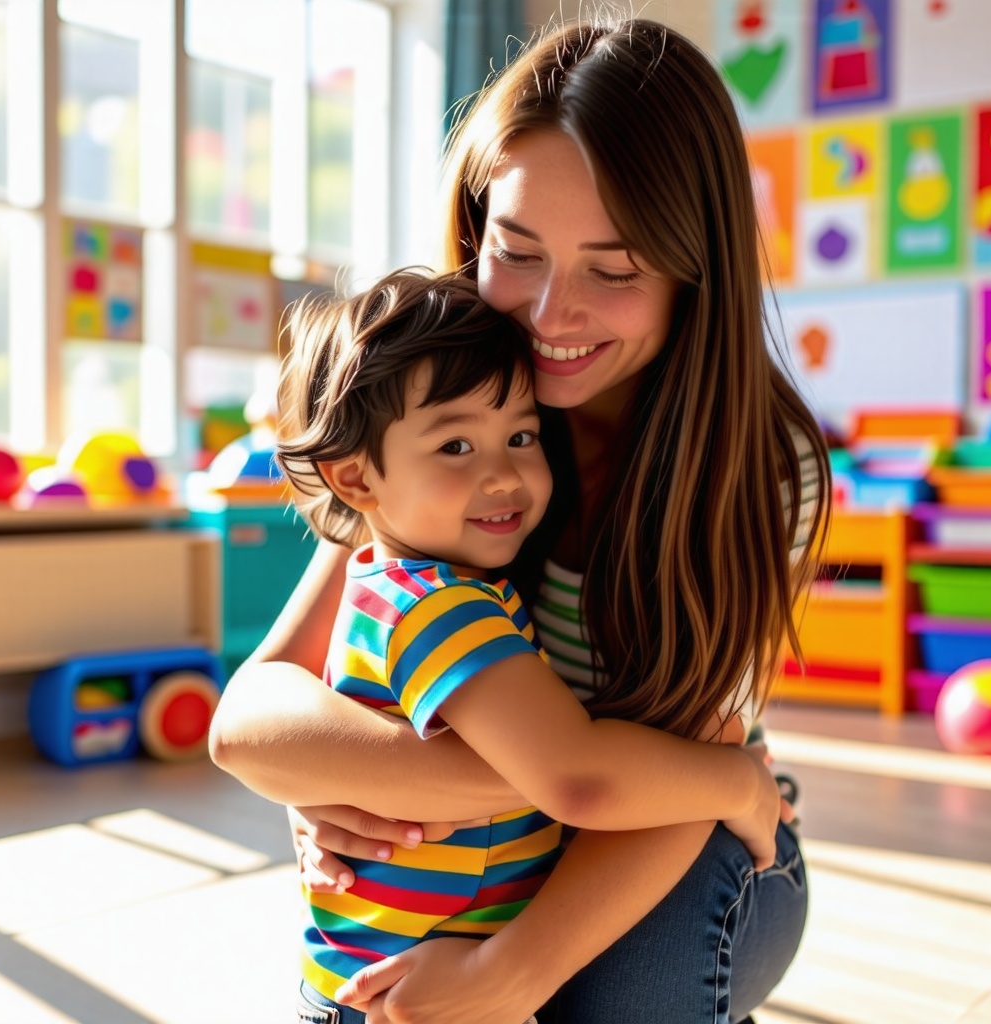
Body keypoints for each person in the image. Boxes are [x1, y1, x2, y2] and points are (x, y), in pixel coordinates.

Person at [209, 14, 830, 1024]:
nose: (550, 312)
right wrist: (346, 785)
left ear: (692, 270)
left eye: (614, 269)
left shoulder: (754, 471)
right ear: (475, 223)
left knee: (602, 1003)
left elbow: (669, 784)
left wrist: (511, 973)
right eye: (518, 248)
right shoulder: (440, 406)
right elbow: (249, 720)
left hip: (684, 831)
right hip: (564, 815)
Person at [269, 267, 782, 1022]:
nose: (504, 474)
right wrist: (737, 779)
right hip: (413, 992)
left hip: (383, 974)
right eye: (454, 447)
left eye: (519, 435)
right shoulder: (440, 606)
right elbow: (577, 777)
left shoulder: (397, 582)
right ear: (356, 479)